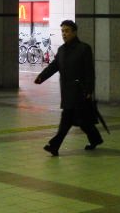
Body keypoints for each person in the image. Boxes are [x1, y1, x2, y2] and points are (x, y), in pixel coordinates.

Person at [34, 20, 103, 156]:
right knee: (82, 120)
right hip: (66, 92)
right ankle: (96, 139)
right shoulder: (62, 50)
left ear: (74, 32)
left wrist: (89, 90)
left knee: (66, 119)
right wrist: (41, 77)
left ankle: (54, 146)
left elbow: (89, 72)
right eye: (62, 31)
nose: (64, 34)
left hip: (79, 92)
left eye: (67, 31)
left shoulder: (84, 49)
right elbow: (54, 66)